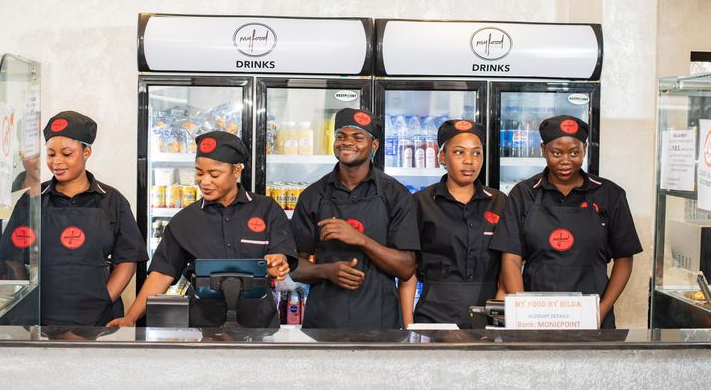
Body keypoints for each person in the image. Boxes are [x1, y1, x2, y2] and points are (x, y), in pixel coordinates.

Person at [107, 131, 296, 328]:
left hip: (259, 325)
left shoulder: (267, 209)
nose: (204, 182)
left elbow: (280, 255)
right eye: (199, 173)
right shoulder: (185, 220)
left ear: (236, 170)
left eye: (214, 174)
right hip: (202, 327)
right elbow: (162, 274)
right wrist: (130, 318)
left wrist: (277, 263)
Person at [489, 115, 642, 328]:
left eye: (574, 153)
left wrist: (601, 310)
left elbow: (624, 259)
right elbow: (511, 259)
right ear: (543, 149)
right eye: (556, 153)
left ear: (584, 149)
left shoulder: (609, 194)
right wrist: (523, 312)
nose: (565, 160)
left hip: (592, 317)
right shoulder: (523, 194)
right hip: (536, 317)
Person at [0, 111, 147, 326]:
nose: (57, 162)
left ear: (87, 152)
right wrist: (28, 298)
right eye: (51, 154)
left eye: (66, 154)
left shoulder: (111, 200)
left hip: (98, 318)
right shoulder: (32, 200)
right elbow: (12, 258)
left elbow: (128, 259)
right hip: (41, 315)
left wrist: (104, 299)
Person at [290, 108, 420, 329]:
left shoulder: (395, 194)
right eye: (341, 136)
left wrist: (361, 240)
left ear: (374, 145)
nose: (347, 142)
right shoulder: (313, 195)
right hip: (324, 323)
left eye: (358, 137)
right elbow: (294, 266)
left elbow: (406, 268)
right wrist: (326, 271)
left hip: (380, 323)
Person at [399, 120, 507, 328]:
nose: (469, 161)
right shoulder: (420, 202)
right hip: (433, 316)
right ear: (442, 156)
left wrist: (496, 321)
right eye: (459, 152)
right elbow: (408, 272)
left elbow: (508, 267)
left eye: (477, 153)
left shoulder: (499, 202)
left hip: (487, 316)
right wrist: (408, 328)